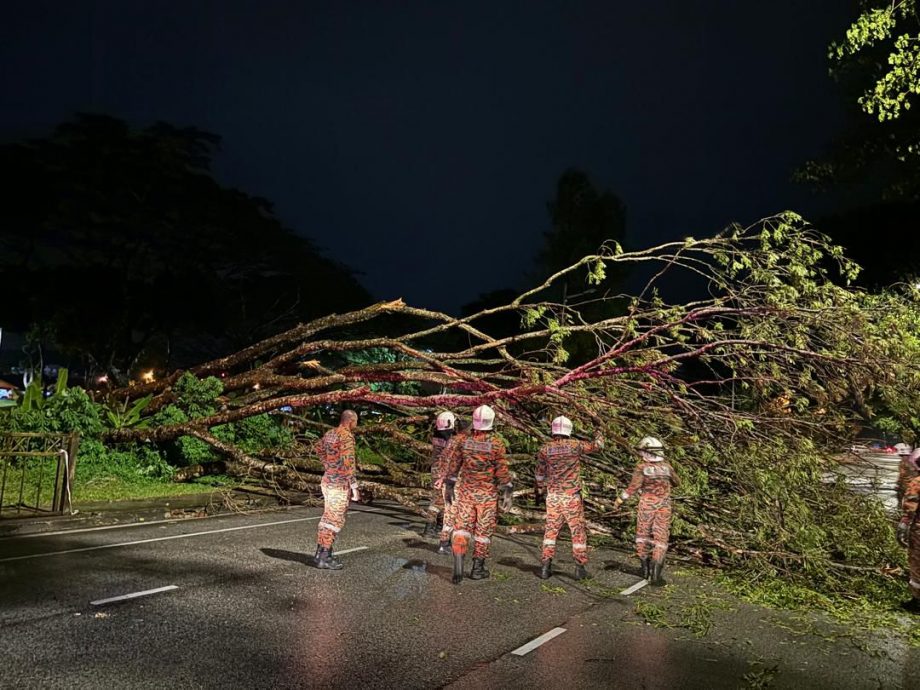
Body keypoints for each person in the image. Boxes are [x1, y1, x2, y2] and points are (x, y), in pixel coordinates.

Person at [445, 404, 513, 584]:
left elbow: (454, 465)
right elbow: (501, 471)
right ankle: (477, 568)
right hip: (487, 495)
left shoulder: (463, 441)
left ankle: (459, 556)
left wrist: (449, 486)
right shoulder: (496, 444)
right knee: (483, 532)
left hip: (466, 493)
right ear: (491, 423)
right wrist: (508, 490)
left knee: (461, 527)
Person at [535, 415, 604, 580]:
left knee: (550, 531)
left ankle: (545, 567)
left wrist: (540, 490)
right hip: (571, 497)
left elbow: (539, 475)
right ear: (569, 430)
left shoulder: (545, 449)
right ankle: (580, 569)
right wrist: (599, 429)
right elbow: (598, 446)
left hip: (553, 497)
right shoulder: (575, 446)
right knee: (578, 532)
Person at [614, 436, 679, 586]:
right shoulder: (667, 467)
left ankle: (644, 570)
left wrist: (619, 500)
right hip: (664, 506)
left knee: (642, 536)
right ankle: (656, 574)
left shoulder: (641, 468)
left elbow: (632, 487)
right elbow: (677, 482)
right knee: (661, 539)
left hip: (646, 506)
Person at [313, 410, 360, 570]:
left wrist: (328, 464)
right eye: (356, 422)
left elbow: (318, 447)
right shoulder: (346, 436)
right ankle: (324, 556)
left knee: (328, 516)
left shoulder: (330, 433)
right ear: (351, 421)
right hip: (339, 484)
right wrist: (354, 487)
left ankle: (321, 552)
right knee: (333, 520)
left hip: (327, 480)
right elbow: (348, 463)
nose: (356, 425)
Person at [424, 411, 456, 539]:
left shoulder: (436, 437)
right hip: (443, 472)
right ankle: (429, 527)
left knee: (443, 500)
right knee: (438, 501)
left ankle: (438, 525)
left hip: (436, 471)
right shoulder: (449, 439)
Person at [897, 453, 920, 613]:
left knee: (917, 562)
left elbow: (910, 506)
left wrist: (904, 525)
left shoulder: (917, 483)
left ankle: (917, 600)